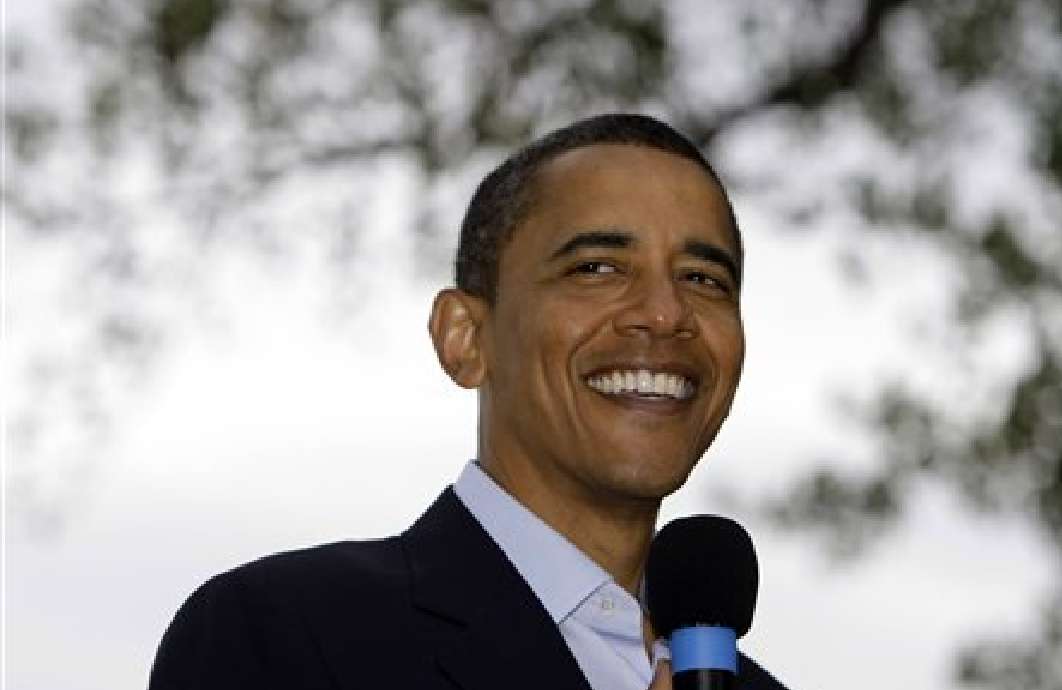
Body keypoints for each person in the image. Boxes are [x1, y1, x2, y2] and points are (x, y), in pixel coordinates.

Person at [148, 114, 788, 690]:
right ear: (466, 338)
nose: (665, 311)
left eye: (704, 279)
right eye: (596, 268)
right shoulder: (284, 636)